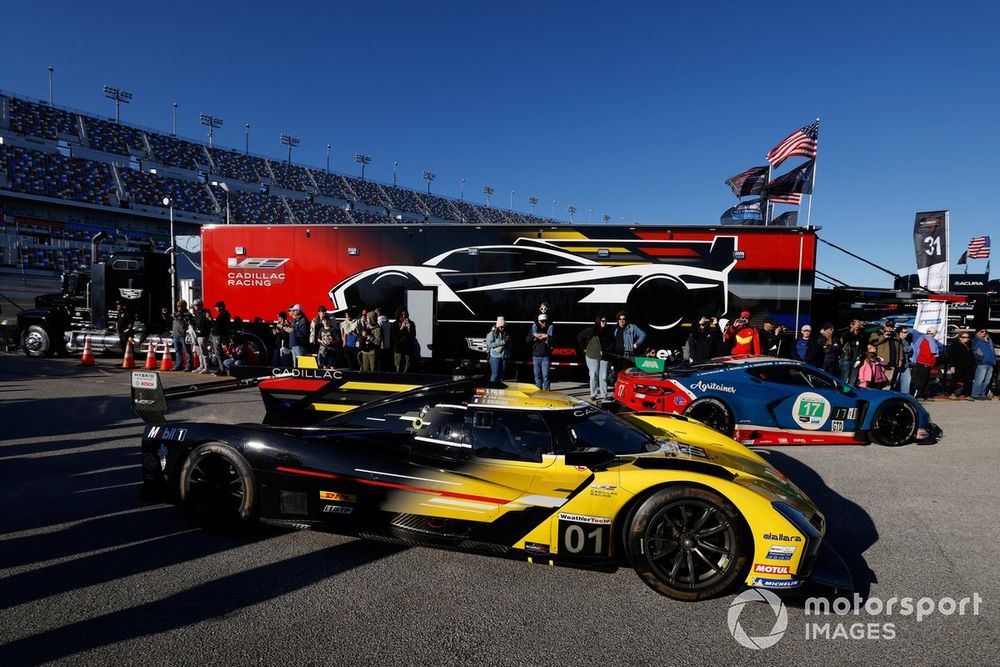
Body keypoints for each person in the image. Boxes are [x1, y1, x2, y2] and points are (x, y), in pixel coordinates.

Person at [577, 315, 613, 400]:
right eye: (602, 321)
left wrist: (606, 350)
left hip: (605, 357)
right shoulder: (591, 330)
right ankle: (593, 394)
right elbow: (579, 336)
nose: (604, 323)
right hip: (592, 356)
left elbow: (612, 344)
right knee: (593, 375)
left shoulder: (608, 332)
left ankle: (604, 395)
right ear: (598, 321)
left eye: (605, 321)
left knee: (603, 376)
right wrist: (584, 349)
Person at [609, 310, 647, 380]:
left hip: (627, 355)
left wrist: (637, 343)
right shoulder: (614, 329)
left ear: (626, 320)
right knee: (616, 374)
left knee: (627, 375)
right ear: (618, 320)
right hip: (616, 355)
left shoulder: (632, 327)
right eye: (620, 319)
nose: (621, 321)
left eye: (623, 319)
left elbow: (643, 334)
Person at [869, 322, 905, 390]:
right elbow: (872, 343)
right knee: (878, 380)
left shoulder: (895, 335)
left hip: (892, 362)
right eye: (888, 326)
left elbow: (900, 348)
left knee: (888, 382)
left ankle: (885, 394)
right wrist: (883, 337)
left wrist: (900, 358)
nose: (889, 328)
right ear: (884, 326)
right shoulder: (877, 333)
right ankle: (876, 393)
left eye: (891, 326)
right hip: (880, 362)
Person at [909, 326, 941, 400]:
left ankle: (924, 394)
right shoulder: (929, 340)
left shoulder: (923, 339)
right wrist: (932, 361)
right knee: (921, 379)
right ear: (933, 333)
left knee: (925, 379)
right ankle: (918, 395)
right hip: (925, 362)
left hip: (923, 362)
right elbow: (927, 353)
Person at [526, 312, 554, 390]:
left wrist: (547, 336)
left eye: (545, 321)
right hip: (536, 356)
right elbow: (527, 340)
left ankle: (547, 391)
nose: (544, 323)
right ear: (538, 321)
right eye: (542, 321)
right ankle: (539, 391)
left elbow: (555, 340)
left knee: (546, 375)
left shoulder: (550, 328)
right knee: (537, 376)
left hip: (545, 356)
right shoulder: (534, 329)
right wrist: (534, 335)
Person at [947, 331, 975, 400]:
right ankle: (951, 393)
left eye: (968, 337)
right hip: (958, 365)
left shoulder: (969, 345)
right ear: (960, 338)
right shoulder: (955, 345)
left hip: (968, 366)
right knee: (955, 379)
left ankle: (967, 394)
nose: (966, 339)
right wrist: (952, 366)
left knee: (967, 380)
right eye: (964, 337)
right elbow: (951, 356)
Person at [971, 328, 997, 399]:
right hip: (982, 363)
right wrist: (981, 359)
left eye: (985, 331)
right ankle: (975, 394)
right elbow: (975, 351)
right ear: (977, 332)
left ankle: (982, 394)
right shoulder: (976, 340)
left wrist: (989, 339)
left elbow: (992, 350)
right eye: (982, 331)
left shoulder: (988, 340)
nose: (984, 333)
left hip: (990, 362)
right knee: (980, 379)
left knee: (987, 381)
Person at [838, 319, 865, 385]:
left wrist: (860, 358)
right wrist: (853, 327)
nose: (858, 326)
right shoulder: (846, 332)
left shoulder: (861, 335)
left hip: (856, 360)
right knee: (844, 378)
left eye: (858, 325)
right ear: (851, 325)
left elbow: (862, 348)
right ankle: (844, 391)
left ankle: (849, 391)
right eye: (856, 324)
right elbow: (846, 336)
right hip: (846, 358)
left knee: (853, 379)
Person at [391, 307, 417, 373]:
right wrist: (401, 328)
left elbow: (413, 336)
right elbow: (395, 337)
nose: (404, 316)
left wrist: (409, 329)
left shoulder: (411, 323)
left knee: (407, 369)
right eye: (402, 315)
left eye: (405, 314)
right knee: (398, 368)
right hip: (398, 349)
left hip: (408, 349)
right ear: (398, 315)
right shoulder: (394, 324)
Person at [485, 316, 511, 382]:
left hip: (504, 357)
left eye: (503, 326)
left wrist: (508, 350)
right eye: (501, 326)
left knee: (502, 375)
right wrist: (502, 342)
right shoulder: (492, 333)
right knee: (495, 374)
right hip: (495, 356)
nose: (502, 328)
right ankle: (492, 387)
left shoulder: (506, 333)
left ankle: (500, 387)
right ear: (498, 326)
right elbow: (489, 344)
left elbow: (510, 344)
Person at [170, 299, 193, 371]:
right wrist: (165, 314)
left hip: (184, 335)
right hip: (175, 334)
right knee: (177, 351)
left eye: (179, 306)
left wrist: (182, 317)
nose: (178, 307)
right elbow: (168, 318)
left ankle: (189, 366)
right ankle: (178, 365)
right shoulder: (176, 314)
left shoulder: (188, 314)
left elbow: (189, 322)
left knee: (187, 351)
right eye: (177, 306)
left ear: (184, 306)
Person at [191, 299, 212, 373]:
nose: (194, 307)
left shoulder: (206, 313)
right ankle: (201, 366)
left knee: (204, 352)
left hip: (202, 335)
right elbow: (195, 324)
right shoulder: (197, 314)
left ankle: (206, 368)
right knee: (199, 352)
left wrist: (202, 330)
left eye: (195, 306)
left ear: (200, 305)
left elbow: (210, 324)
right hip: (196, 335)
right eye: (194, 306)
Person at [210, 301, 231, 374]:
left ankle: (222, 369)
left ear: (221, 307)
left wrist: (210, 319)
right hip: (219, 335)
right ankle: (221, 368)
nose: (215, 308)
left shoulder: (223, 315)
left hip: (218, 335)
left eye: (216, 307)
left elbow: (217, 325)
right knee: (219, 352)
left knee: (219, 352)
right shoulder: (224, 314)